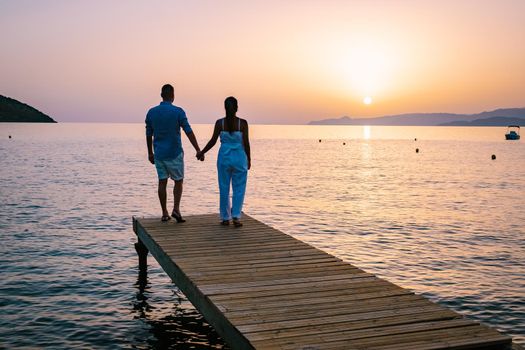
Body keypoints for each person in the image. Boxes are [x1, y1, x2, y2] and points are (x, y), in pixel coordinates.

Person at [146, 84, 202, 222]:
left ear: (161, 95)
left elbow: (148, 134)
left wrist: (150, 153)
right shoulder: (178, 112)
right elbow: (188, 131)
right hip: (175, 153)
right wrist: (197, 149)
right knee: (178, 181)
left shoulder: (152, 112)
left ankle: (164, 213)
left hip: (159, 153)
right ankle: (176, 209)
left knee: (162, 182)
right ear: (172, 95)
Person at [197, 96, 251, 227]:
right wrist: (249, 159)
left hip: (224, 159)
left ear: (225, 108)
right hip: (239, 158)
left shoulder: (220, 123)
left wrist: (202, 152)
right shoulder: (242, 123)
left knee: (224, 187)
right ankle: (236, 217)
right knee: (239, 188)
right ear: (237, 108)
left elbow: (213, 141)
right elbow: (246, 143)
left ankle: (225, 217)